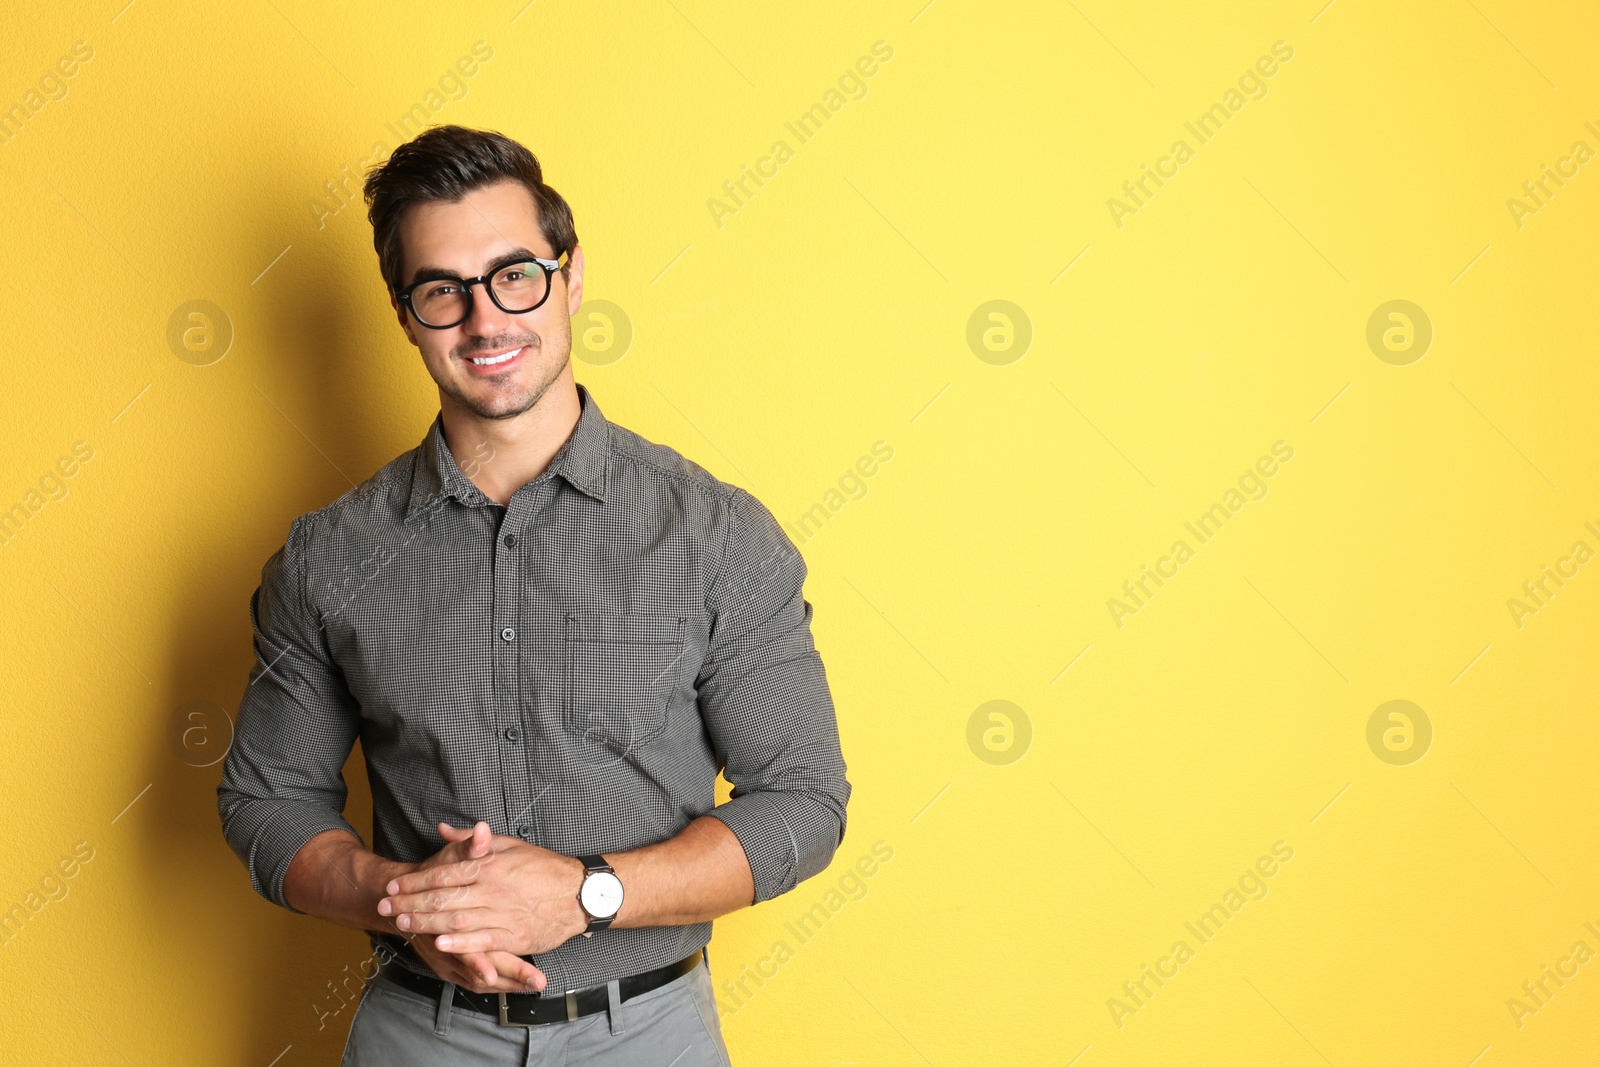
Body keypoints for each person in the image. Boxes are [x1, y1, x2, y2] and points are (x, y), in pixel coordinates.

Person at [216, 124, 851, 1065]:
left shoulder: (717, 534)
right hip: (415, 1030)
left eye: (514, 274)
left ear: (571, 276)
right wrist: (407, 901)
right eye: (443, 290)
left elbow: (803, 801)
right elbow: (268, 802)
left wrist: (588, 892)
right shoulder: (329, 557)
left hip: (649, 1033)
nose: (485, 320)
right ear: (404, 314)